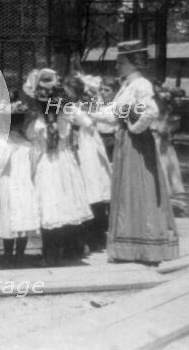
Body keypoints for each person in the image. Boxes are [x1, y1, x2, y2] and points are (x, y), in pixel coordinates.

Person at [106, 40, 178, 264]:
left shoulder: (141, 84)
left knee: (140, 189)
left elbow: (151, 111)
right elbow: (114, 113)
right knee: (128, 190)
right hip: (127, 143)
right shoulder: (127, 85)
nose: (117, 66)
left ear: (130, 63)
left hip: (137, 144)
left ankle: (146, 248)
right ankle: (130, 248)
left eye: (120, 62)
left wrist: (134, 129)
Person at [23, 69, 93, 266]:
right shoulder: (68, 111)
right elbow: (87, 122)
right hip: (65, 160)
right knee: (66, 203)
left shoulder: (37, 120)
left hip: (48, 162)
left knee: (50, 206)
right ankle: (73, 248)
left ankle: (51, 253)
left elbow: (29, 136)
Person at [0, 96, 39, 266]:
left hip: (7, 184)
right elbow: (33, 168)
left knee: (8, 220)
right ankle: (19, 255)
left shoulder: (2, 142)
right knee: (21, 218)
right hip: (23, 185)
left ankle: (9, 256)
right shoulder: (27, 145)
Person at [68, 73, 112, 252]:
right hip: (77, 147)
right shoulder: (70, 107)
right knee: (83, 192)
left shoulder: (85, 107)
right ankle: (84, 237)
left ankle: (96, 235)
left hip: (87, 148)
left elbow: (89, 123)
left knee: (93, 190)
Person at [151, 87, 185, 196]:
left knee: (163, 164)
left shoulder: (168, 114)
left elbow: (170, 127)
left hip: (161, 142)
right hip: (151, 139)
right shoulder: (151, 108)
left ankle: (163, 191)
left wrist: (165, 130)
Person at [97, 76, 120, 161]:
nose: (102, 92)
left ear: (115, 92)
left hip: (110, 139)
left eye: (107, 90)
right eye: (101, 89)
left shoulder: (115, 106)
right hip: (97, 137)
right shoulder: (99, 103)